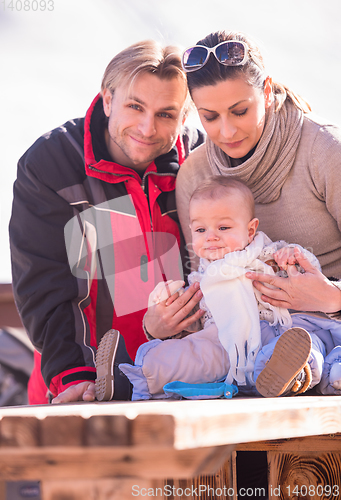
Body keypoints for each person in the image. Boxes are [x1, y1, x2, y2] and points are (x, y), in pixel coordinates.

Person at [9, 40, 205, 405]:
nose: (147, 128)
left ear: (184, 117)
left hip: (182, 379)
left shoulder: (199, 162)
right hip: (84, 381)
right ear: (107, 98)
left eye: (166, 114)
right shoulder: (52, 164)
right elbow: (42, 281)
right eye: (135, 106)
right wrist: (72, 374)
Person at [168, 29, 341, 397]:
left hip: (328, 326)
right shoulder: (195, 176)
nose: (226, 131)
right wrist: (163, 323)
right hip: (241, 341)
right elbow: (203, 270)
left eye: (240, 111)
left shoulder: (325, 152)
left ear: (266, 90)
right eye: (209, 117)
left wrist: (331, 299)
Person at [108, 177, 339, 400]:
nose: (211, 237)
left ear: (250, 231)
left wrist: (294, 255)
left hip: (280, 329)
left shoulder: (268, 254)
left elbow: (309, 278)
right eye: (200, 230)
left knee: (302, 344)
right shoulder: (202, 279)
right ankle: (132, 378)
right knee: (189, 354)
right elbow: (195, 320)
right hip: (224, 342)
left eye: (223, 227)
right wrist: (171, 304)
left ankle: (291, 374)